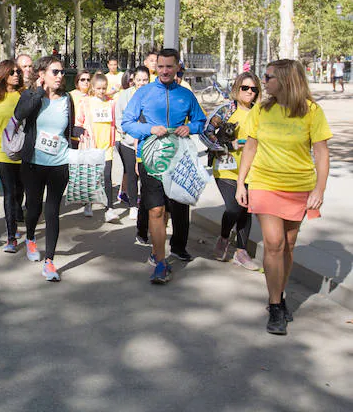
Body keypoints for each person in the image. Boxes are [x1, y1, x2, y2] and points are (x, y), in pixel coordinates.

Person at [236, 59, 331, 335]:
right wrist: (242, 183)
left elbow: (322, 153)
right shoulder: (262, 110)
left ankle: (280, 292)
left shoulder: (312, 112)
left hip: (299, 187)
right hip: (265, 183)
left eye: (268, 77)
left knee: (288, 245)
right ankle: (275, 305)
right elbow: (250, 147)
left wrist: (319, 190)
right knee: (274, 244)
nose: (263, 82)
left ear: (287, 80)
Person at [123, 48, 206, 285]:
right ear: (155, 67)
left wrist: (190, 128)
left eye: (170, 66)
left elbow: (200, 120)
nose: (165, 71)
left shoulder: (185, 95)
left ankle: (163, 249)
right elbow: (127, 122)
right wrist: (149, 129)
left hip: (178, 159)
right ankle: (161, 262)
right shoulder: (144, 93)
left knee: (173, 209)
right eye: (161, 66)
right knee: (156, 210)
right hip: (151, 158)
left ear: (178, 67)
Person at [12, 55, 76, 281]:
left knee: (52, 211)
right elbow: (20, 115)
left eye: (61, 72)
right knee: (34, 207)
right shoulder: (30, 95)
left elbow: (68, 130)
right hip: (33, 163)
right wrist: (39, 92)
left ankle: (49, 261)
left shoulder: (67, 99)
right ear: (42, 75)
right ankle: (30, 237)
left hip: (59, 163)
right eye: (55, 72)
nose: (60, 76)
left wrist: (80, 135)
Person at [212, 72, 261, 271]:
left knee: (245, 210)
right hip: (226, 168)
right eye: (245, 88)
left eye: (254, 89)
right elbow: (207, 136)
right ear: (237, 88)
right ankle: (224, 237)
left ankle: (241, 252)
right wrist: (229, 145)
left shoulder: (261, 112)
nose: (249, 92)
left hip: (251, 170)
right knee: (234, 207)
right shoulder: (225, 110)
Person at [0, 59, 24, 252]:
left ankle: (17, 216)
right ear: (2, 75)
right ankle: (11, 237)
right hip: (1, 151)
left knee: (20, 190)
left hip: (24, 152)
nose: (16, 74)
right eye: (12, 72)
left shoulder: (24, 95)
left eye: (18, 71)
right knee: (9, 192)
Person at [77, 73, 118, 221]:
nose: (102, 91)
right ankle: (88, 203)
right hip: (92, 144)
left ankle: (110, 209)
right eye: (99, 88)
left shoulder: (111, 102)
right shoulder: (86, 102)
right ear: (93, 88)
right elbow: (79, 121)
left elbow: (115, 120)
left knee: (107, 177)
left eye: (104, 88)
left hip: (107, 145)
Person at [115, 67, 150, 234]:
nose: (142, 83)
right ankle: (133, 206)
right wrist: (130, 131)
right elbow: (119, 118)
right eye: (139, 80)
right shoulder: (125, 95)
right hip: (128, 142)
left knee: (146, 175)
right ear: (133, 80)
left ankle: (146, 205)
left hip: (149, 142)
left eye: (145, 80)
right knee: (131, 173)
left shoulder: (153, 94)